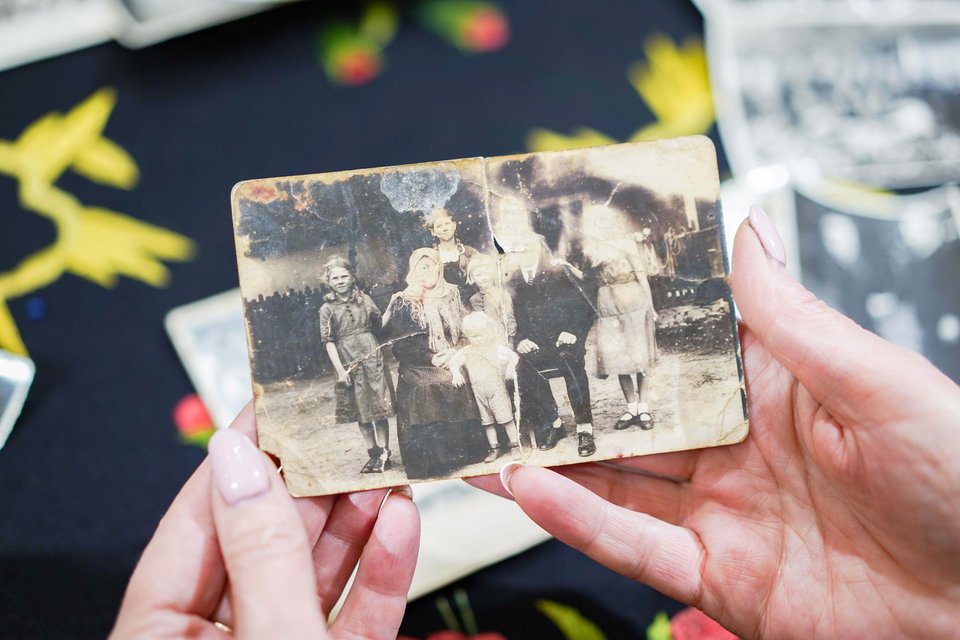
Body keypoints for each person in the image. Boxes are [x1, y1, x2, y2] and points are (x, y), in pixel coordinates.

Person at [115, 208, 960, 639]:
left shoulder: (541, 273)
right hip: (433, 356)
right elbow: (401, 323)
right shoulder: (403, 298)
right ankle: (413, 441)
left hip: (542, 336)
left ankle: (558, 419)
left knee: (578, 374)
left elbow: (552, 302)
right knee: (447, 403)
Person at [383, 247, 488, 479]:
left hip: (455, 353)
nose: (426, 272)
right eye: (420, 268)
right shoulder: (405, 301)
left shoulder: (454, 293)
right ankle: (436, 462)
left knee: (459, 378)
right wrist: (430, 357)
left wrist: (456, 350)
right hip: (419, 362)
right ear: (413, 271)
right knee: (429, 385)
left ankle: (466, 454)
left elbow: (469, 328)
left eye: (430, 266)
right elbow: (401, 345)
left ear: (439, 267)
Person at [500, 225, 598, 457]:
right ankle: (554, 423)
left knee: (573, 365)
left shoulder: (558, 271)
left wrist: (572, 332)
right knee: (521, 367)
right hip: (536, 343)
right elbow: (517, 320)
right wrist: (521, 340)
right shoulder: (514, 280)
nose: (523, 254)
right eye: (518, 250)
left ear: (538, 248)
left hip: (565, 339)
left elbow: (585, 308)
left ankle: (585, 428)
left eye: (527, 248)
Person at [581, 204, 658, 430]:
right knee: (618, 357)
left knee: (640, 356)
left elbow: (641, 276)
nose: (601, 225)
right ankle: (631, 408)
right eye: (597, 222)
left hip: (634, 302)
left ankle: (643, 408)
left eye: (605, 220)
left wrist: (651, 307)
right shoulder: (592, 249)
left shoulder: (627, 243)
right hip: (607, 305)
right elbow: (587, 277)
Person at [319, 257, 395, 474]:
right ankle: (373, 454)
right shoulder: (326, 308)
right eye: (335, 278)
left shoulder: (365, 300)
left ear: (352, 277)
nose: (340, 281)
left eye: (344, 276)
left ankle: (384, 454)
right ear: (328, 282)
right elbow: (329, 341)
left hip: (372, 358)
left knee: (379, 408)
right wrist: (341, 371)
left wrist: (390, 306)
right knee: (360, 410)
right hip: (347, 361)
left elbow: (379, 325)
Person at [450, 312, 520, 463]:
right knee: (487, 422)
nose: (478, 339)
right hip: (479, 392)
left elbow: (514, 357)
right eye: (474, 336)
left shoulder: (496, 348)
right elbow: (454, 362)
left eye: (481, 334)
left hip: (497, 389)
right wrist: (456, 374)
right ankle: (494, 448)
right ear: (467, 336)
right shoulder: (466, 351)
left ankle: (514, 445)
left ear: (489, 332)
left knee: (506, 419)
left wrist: (510, 368)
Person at [426, 207, 479, 300]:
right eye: (439, 226)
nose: (444, 229)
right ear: (433, 232)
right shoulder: (430, 257)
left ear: (454, 225)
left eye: (447, 223)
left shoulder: (469, 252)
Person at [465, 252, 516, 346]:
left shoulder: (502, 295)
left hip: (501, 339)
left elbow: (510, 320)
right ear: (472, 277)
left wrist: (510, 341)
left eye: (486, 274)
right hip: (482, 342)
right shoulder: (473, 299)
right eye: (478, 275)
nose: (483, 278)